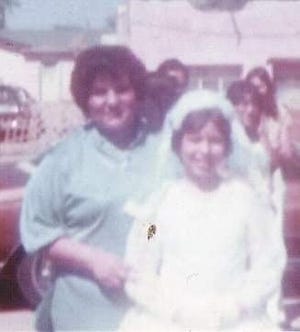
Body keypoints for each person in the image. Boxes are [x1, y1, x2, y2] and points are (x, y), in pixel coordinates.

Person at [119, 91, 286, 331]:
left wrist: (234, 307)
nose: (204, 150)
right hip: (170, 319)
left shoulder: (244, 199)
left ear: (228, 147)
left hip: (234, 319)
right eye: (195, 139)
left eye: (215, 141)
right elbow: (141, 263)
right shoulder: (158, 206)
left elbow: (267, 263)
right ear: (178, 144)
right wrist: (174, 311)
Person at [20, 46, 160, 331]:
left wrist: (148, 240)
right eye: (99, 92)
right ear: (85, 99)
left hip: (149, 309)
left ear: (137, 94)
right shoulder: (62, 159)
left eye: (122, 89)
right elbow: (38, 233)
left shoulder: (162, 152)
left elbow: (162, 220)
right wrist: (93, 260)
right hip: (83, 312)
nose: (111, 101)